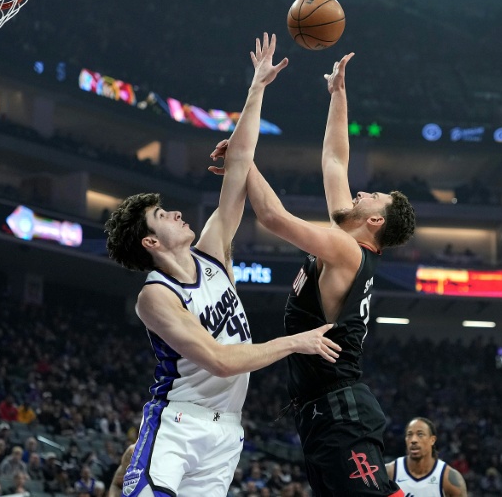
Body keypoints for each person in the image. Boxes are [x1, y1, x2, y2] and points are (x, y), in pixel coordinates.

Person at [104, 33, 339, 497]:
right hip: (177, 423)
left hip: (227, 432)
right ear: (151, 240)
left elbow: (239, 165)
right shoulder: (156, 295)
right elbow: (220, 360)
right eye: (162, 216)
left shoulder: (211, 252)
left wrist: (257, 87)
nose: (175, 212)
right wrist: (297, 342)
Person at [212, 53, 415, 496]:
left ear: (375, 222)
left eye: (373, 195)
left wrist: (243, 161)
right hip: (323, 410)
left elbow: (271, 216)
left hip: (340, 410)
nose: (361, 191)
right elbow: (334, 161)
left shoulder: (345, 249)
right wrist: (338, 95)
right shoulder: (347, 236)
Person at [385, 418, 467, 497]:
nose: (413, 440)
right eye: (409, 435)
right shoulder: (389, 472)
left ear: (432, 440)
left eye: (420, 434)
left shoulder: (449, 478)